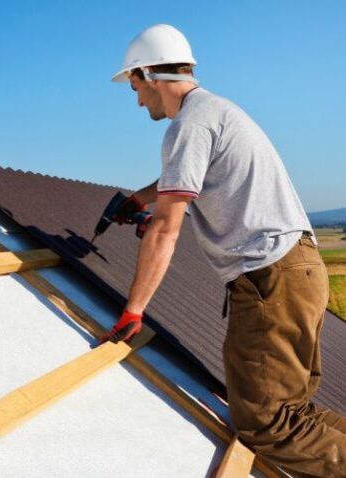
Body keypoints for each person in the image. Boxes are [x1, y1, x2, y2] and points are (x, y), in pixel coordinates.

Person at [102, 24, 346, 476]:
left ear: (149, 73)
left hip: (270, 279)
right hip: (298, 271)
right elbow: (187, 179)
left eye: (135, 86)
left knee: (268, 425)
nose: (137, 100)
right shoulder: (214, 112)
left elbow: (164, 232)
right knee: (295, 413)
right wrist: (140, 199)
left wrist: (133, 310)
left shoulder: (188, 127)